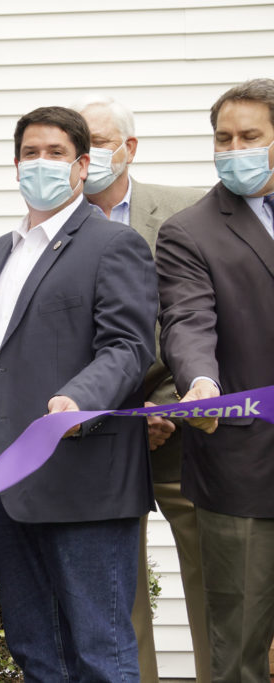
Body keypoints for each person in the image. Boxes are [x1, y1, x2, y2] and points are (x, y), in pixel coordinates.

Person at [0, 106, 157, 681]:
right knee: (34, 650)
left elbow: (127, 347)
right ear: (15, 164)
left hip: (83, 477)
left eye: (55, 153)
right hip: (9, 482)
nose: (40, 164)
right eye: (30, 153)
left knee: (102, 652)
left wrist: (79, 398)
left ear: (82, 166)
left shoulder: (112, 244)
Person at [74, 93, 210, 683]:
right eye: (81, 145)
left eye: (101, 142)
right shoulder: (51, 226)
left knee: (217, 590)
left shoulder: (189, 211)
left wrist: (167, 407)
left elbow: (209, 318)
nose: (89, 155)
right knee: (115, 604)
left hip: (191, 432)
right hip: (102, 435)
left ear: (130, 148)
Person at [155, 77, 274, 683]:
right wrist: (200, 381)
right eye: (223, 138)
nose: (234, 148)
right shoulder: (190, 231)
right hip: (242, 469)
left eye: (249, 136)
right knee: (240, 652)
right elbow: (186, 319)